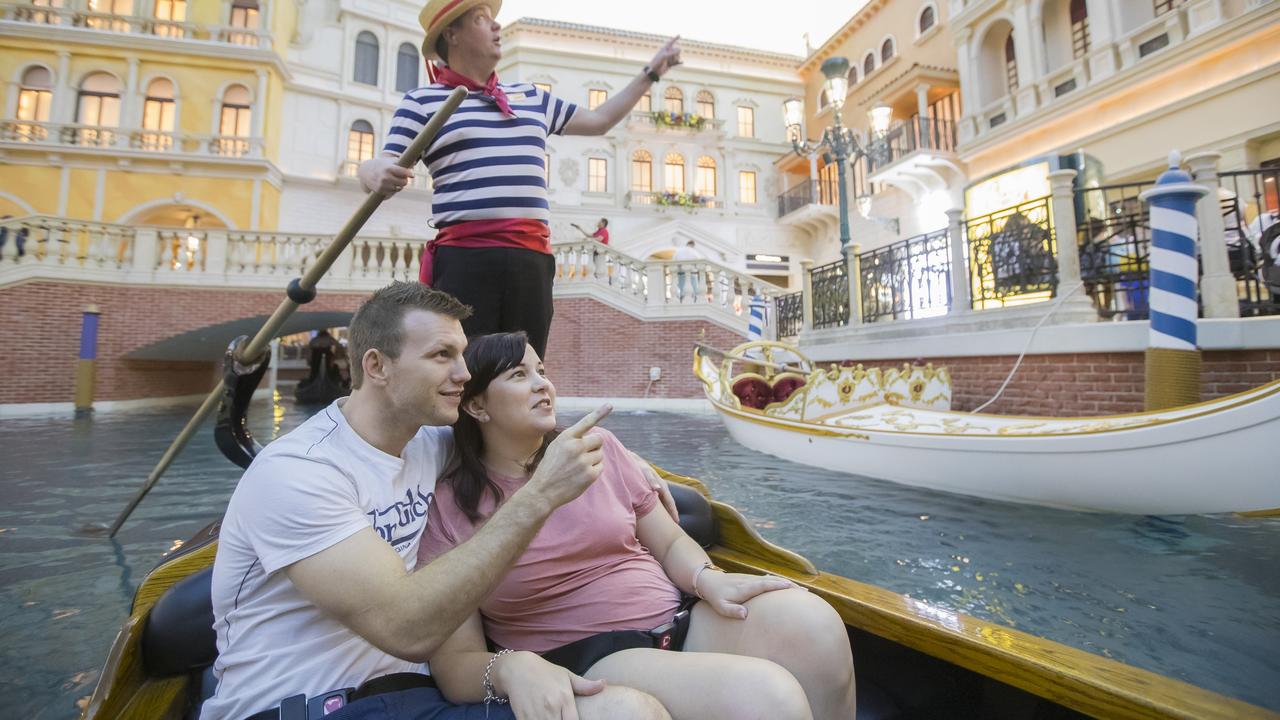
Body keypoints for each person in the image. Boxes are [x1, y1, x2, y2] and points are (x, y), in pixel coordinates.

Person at [204, 282, 670, 720]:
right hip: (311, 704)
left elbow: (520, 442)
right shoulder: (298, 474)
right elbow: (405, 628)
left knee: (625, 710)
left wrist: (628, 459)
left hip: (420, 697)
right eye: (442, 355)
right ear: (377, 366)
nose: (464, 374)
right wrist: (540, 495)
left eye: (462, 355)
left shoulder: (431, 444)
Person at [418, 332, 858, 719]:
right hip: (593, 655)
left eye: (542, 370)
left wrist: (709, 579)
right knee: (770, 700)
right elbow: (456, 661)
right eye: (518, 375)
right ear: (476, 405)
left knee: (816, 624)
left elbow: (668, 544)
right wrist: (511, 670)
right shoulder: (449, 507)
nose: (542, 384)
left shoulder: (600, 449)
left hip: (678, 618)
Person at [360, 0, 682, 357]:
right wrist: (374, 173)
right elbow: (380, 163)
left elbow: (599, 120)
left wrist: (651, 74)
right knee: (465, 372)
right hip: (466, 259)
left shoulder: (530, 97)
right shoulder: (422, 102)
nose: (497, 27)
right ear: (451, 33)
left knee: (524, 368)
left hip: (532, 261)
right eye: (482, 19)